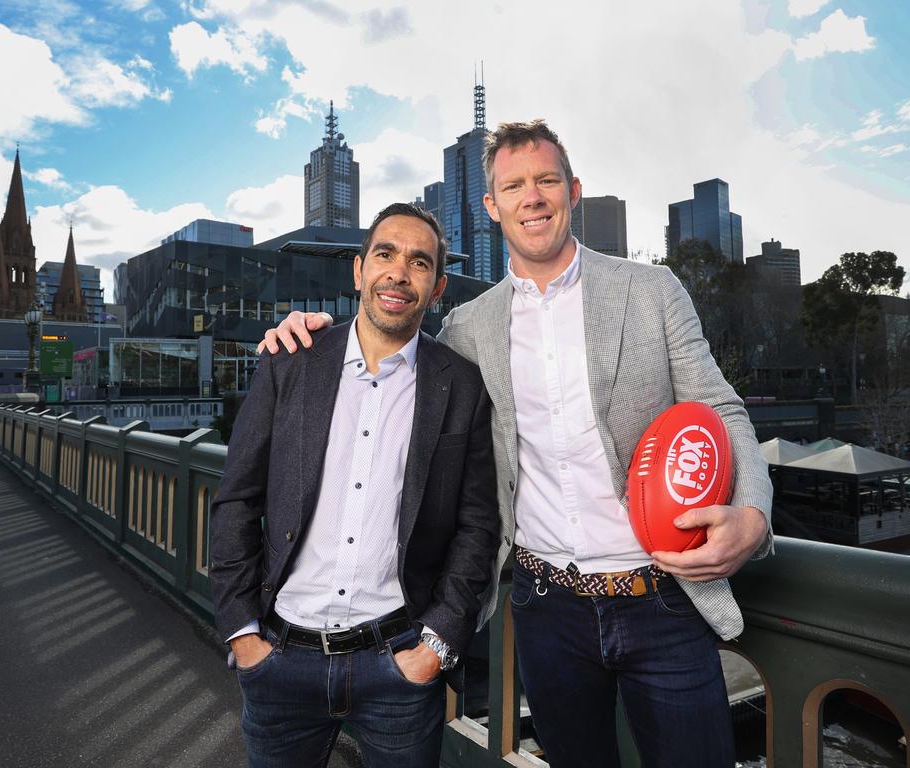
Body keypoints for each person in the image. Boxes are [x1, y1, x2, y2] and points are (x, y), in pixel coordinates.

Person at [259, 121, 773, 768]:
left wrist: (753, 513)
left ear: (573, 191)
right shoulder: (468, 327)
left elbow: (719, 406)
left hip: (663, 602)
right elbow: (393, 374)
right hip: (544, 610)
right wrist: (311, 338)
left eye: (546, 180)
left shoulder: (652, 291)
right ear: (491, 205)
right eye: (514, 185)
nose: (532, 197)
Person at [210, 202, 499, 768]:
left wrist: (435, 647)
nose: (399, 272)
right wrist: (243, 635)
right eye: (385, 254)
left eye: (419, 263)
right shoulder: (291, 360)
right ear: (358, 271)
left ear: (437, 288)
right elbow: (237, 499)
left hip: (398, 663)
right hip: (280, 657)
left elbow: (477, 526)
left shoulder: (459, 384)